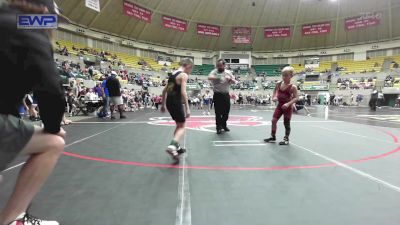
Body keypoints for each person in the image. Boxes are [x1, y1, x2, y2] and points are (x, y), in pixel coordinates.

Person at [0, 1, 68, 224]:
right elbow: (51, 91)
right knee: (53, 143)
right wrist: (53, 128)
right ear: (45, 13)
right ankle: (12, 219)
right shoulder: (28, 29)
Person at [161, 58, 192, 164]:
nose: (190, 72)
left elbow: (165, 91)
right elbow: (183, 92)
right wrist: (187, 108)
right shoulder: (183, 75)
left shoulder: (173, 75)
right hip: (176, 102)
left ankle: (177, 148)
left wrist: (162, 105)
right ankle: (172, 146)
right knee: (182, 126)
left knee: (178, 125)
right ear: (188, 66)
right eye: (190, 69)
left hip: (169, 102)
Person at [264, 67, 299, 145]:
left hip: (287, 107)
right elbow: (275, 90)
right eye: (283, 75)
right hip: (280, 106)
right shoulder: (279, 83)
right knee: (273, 120)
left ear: (291, 76)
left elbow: (296, 98)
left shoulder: (293, 87)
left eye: (286, 75)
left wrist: (288, 104)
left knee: (286, 123)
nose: (284, 77)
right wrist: (274, 96)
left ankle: (286, 139)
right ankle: (273, 136)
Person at [208, 59, 237, 134]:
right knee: (218, 112)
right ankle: (218, 127)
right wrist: (219, 77)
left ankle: (223, 125)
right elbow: (209, 77)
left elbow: (235, 82)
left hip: (226, 94)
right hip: (217, 94)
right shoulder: (214, 71)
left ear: (224, 65)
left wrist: (230, 79)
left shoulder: (228, 72)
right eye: (218, 66)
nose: (219, 67)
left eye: (220, 65)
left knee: (226, 112)